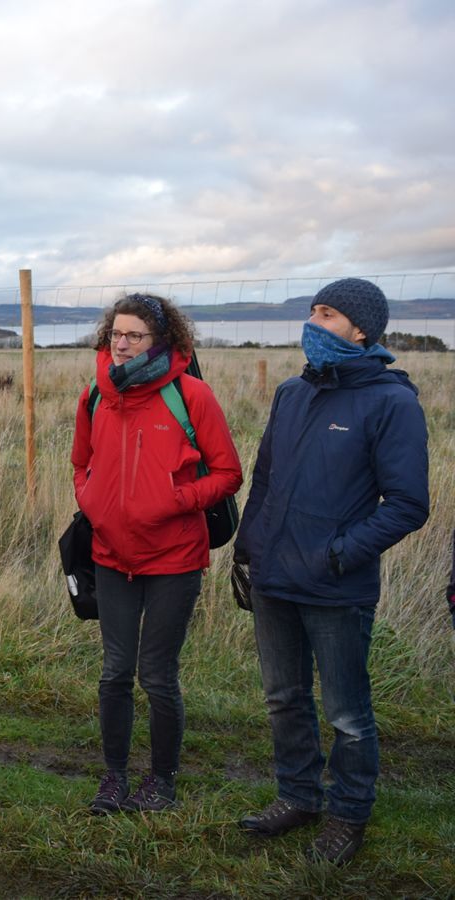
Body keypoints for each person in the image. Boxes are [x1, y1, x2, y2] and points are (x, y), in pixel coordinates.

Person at [234, 278, 429, 865]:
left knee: (346, 713)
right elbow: (264, 479)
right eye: (313, 311)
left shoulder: (392, 402)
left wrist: (340, 553)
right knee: (284, 699)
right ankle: (298, 796)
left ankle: (348, 814)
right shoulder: (292, 394)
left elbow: (407, 505)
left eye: (329, 314)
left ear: (362, 330)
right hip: (274, 578)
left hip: (336, 587)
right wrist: (246, 549)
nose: (314, 322)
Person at [71, 293, 242, 814]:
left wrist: (177, 500)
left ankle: (162, 782)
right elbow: (81, 465)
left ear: (160, 342)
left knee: (158, 675)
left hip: (174, 560)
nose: (121, 344)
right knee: (114, 672)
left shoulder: (190, 396)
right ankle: (115, 778)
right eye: (115, 334)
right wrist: (93, 502)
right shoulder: (95, 397)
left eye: (134, 336)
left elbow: (228, 473)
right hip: (111, 556)